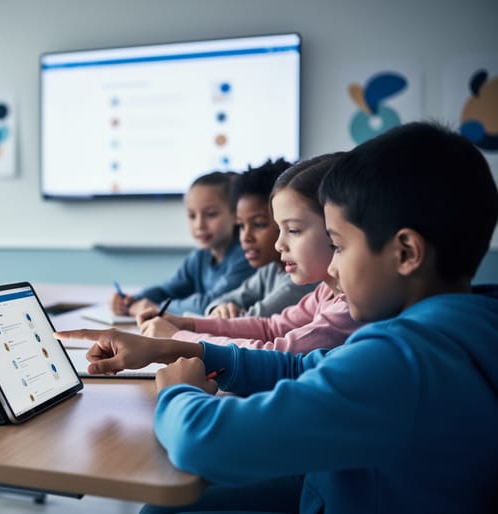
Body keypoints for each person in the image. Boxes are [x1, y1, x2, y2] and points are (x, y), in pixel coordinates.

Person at [58, 122, 498, 513]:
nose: (330, 269)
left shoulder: (402, 360)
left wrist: (179, 394)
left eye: (340, 246)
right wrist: (173, 346)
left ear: (405, 252)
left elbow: (202, 443)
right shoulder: (465, 322)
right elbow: (301, 366)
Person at [138, 154, 362, 355]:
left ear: (335, 229)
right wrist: (185, 324)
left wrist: (176, 338)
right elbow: (270, 328)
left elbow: (277, 353)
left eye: (293, 230)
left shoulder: (350, 308)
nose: (279, 245)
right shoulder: (325, 292)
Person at [112, 172, 254, 317]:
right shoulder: (199, 257)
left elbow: (209, 304)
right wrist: (133, 300)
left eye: (211, 214)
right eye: (192, 216)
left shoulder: (246, 255)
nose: (199, 225)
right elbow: (167, 290)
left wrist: (157, 308)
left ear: (236, 214)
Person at [204, 158, 317, 318]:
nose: (246, 237)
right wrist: (219, 309)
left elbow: (253, 323)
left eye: (259, 224)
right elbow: (222, 301)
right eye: (241, 226)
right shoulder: (270, 270)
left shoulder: (303, 279)